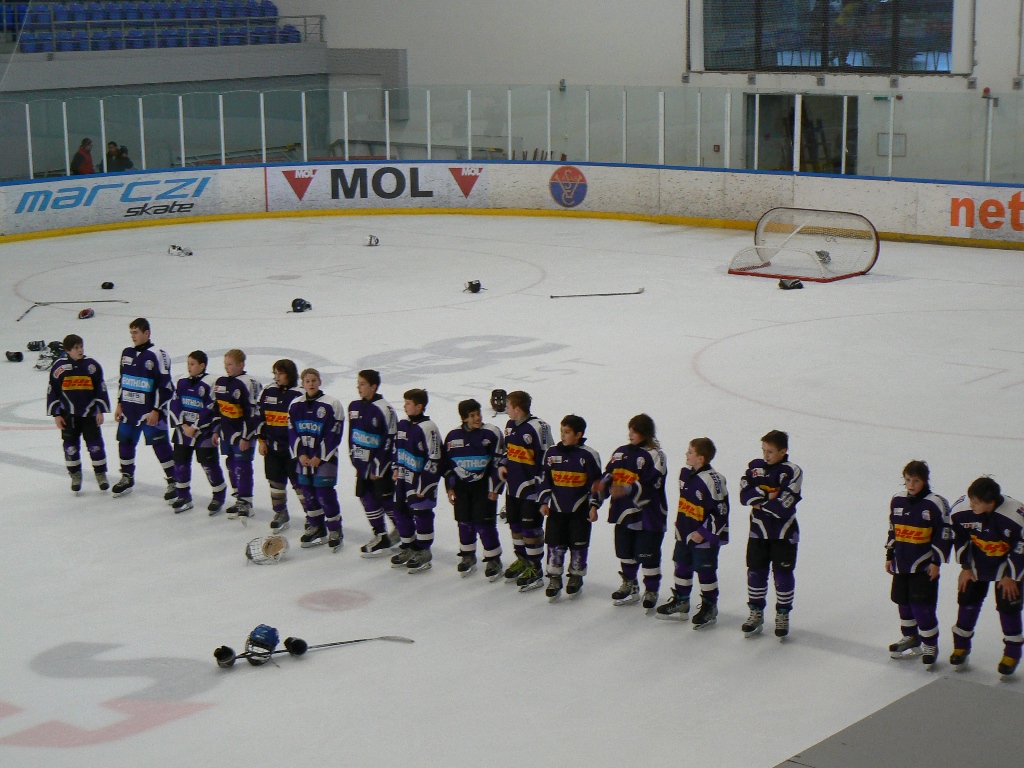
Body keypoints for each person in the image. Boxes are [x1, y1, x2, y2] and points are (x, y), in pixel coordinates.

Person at [948, 477, 1024, 676]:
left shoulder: (1015, 516)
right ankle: (961, 646)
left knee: (1008, 604)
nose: (971, 504)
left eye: (976, 502)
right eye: (971, 499)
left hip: (1007, 565)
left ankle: (1012, 653)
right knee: (967, 600)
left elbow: (1021, 547)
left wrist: (1011, 576)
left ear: (991, 502)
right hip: (977, 563)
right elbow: (959, 537)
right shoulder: (961, 511)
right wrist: (965, 567)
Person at [593, 414, 668, 609]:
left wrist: (626, 489)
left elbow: (653, 483)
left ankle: (651, 590)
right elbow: (609, 475)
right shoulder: (621, 452)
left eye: (634, 431)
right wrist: (599, 491)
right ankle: (630, 584)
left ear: (645, 433)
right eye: (630, 430)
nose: (630, 434)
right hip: (623, 512)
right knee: (625, 551)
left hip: (648, 515)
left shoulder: (656, 455)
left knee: (648, 554)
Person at [658, 438, 729, 629]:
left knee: (705, 570)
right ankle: (682, 600)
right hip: (684, 532)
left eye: (690, 452)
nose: (686, 454)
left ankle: (710, 606)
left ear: (701, 458)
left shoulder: (714, 480)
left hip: (704, 537)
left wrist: (704, 532)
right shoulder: (685, 474)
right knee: (681, 564)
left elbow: (721, 511)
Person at [885, 460, 951, 668]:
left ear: (925, 481)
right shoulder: (897, 500)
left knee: (922, 606)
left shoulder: (935, 503)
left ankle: (930, 644)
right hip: (901, 563)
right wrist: (889, 555)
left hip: (923, 566)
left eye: (916, 481)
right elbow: (893, 529)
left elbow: (944, 534)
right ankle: (911, 637)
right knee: (903, 602)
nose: (911, 485)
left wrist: (936, 562)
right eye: (907, 480)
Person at [739, 429, 803, 638]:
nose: (766, 455)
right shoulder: (755, 467)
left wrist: (760, 502)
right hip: (758, 532)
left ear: (783, 451)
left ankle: (783, 614)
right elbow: (744, 496)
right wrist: (769, 495)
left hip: (784, 534)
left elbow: (783, 507)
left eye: (771, 451)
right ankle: (756, 612)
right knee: (755, 573)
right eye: (764, 450)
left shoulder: (792, 471)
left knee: (783, 575)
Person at [537, 414, 602, 599]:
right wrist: (544, 501)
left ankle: (576, 576)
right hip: (556, 510)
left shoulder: (588, 455)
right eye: (562, 431)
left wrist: (594, 506)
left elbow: (596, 485)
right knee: (554, 544)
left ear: (579, 434)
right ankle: (554, 577)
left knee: (578, 546)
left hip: (579, 511)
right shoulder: (551, 453)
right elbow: (544, 479)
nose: (563, 435)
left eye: (567, 432)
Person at [442, 398, 505, 580]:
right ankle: (467, 555)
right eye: (472, 415)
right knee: (464, 522)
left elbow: (499, 462)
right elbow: (447, 465)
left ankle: (493, 559)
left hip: (484, 487)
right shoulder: (453, 437)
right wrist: (450, 487)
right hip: (462, 488)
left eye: (478, 413)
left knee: (484, 523)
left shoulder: (491, 433)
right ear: (463, 418)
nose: (477, 418)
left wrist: (495, 487)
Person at [112, 318, 175, 499]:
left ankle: (174, 480)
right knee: (125, 442)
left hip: (150, 411)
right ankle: (127, 477)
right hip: (129, 409)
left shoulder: (158, 354)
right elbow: (123, 380)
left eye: (136, 332)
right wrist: (119, 403)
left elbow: (166, 386)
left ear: (147, 333)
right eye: (131, 332)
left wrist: (157, 410)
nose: (133, 336)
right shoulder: (127, 353)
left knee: (160, 445)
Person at [497, 390, 553, 590]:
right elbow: (508, 450)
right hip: (513, 487)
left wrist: (542, 486)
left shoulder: (539, 427)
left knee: (531, 529)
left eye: (508, 407)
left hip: (532, 490)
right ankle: (523, 559)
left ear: (518, 408)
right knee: (515, 525)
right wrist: (503, 464)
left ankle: (535, 568)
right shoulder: (510, 426)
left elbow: (548, 456)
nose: (506, 410)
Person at [257, 359, 319, 531]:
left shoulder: (300, 394)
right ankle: (280, 512)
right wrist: (261, 440)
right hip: (272, 448)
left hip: (294, 450)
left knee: (300, 484)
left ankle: (312, 516)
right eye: (275, 373)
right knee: (275, 481)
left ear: (290, 375)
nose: (277, 377)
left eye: (281, 373)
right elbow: (259, 417)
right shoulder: (268, 391)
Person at [290, 369, 346, 552]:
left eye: (314, 380)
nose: (311, 383)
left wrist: (319, 456)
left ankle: (335, 530)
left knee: (324, 493)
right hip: (304, 459)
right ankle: (316, 527)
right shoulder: (295, 405)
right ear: (302, 383)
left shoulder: (332, 404)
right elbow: (291, 431)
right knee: (308, 493)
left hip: (325, 459)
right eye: (307, 381)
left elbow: (335, 432)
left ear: (320, 381)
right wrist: (301, 454)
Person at [46, 333, 110, 493]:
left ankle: (100, 473)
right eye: (76, 348)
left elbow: (101, 388)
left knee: (96, 446)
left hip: (89, 414)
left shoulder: (91, 366)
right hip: (68, 415)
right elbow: (52, 390)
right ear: (67, 350)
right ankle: (75, 474)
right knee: (70, 447)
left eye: (81, 346)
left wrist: (100, 410)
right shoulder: (59, 367)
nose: (80, 350)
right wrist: (57, 414)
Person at [389, 388, 442, 573]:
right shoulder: (403, 424)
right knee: (399, 511)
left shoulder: (429, 427)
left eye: (408, 403)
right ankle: (409, 546)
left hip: (421, 482)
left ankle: (424, 551)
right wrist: (396, 468)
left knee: (422, 514)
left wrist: (425, 484)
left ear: (419, 406)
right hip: (403, 480)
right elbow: (397, 448)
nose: (405, 406)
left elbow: (435, 457)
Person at [167, 351, 227, 514]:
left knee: (209, 465)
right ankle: (183, 496)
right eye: (188, 363)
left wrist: (195, 426)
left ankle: (218, 495)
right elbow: (175, 404)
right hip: (183, 431)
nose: (189, 367)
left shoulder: (211, 382)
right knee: (180, 463)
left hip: (204, 433)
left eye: (193, 364)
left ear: (202, 365)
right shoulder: (182, 381)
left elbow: (211, 408)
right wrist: (184, 425)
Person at [347, 369, 399, 556]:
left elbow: (391, 439)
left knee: (385, 499)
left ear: (373, 386)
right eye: (358, 383)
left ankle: (405, 531)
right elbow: (352, 435)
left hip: (382, 467)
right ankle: (381, 535)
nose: (358, 387)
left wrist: (378, 466)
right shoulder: (353, 407)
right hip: (363, 466)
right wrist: (356, 460)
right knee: (366, 497)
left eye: (362, 384)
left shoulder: (385, 409)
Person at [214, 349, 262, 520]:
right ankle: (238, 498)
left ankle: (246, 502)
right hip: (227, 433)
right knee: (231, 463)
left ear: (241, 365)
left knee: (243, 465)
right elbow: (217, 409)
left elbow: (253, 412)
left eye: (230, 364)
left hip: (242, 433)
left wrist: (246, 436)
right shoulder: (221, 382)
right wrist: (216, 430)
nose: (227, 367)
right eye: (225, 364)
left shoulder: (250, 382)